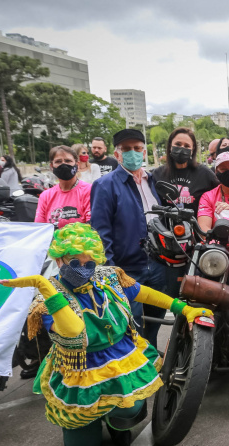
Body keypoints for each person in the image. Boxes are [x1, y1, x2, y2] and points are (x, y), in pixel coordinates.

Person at [0, 223, 211, 446]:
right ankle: (90, 424)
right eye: (75, 262)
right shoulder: (47, 300)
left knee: (128, 411)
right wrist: (46, 287)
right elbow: (75, 333)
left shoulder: (109, 277)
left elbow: (144, 293)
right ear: (59, 260)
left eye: (90, 263)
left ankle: (116, 423)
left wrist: (183, 308)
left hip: (120, 358)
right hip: (79, 369)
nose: (84, 269)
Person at [91, 129, 170, 347]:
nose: (132, 153)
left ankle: (151, 363)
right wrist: (110, 270)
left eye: (137, 148)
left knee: (155, 322)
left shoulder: (153, 181)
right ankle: (136, 372)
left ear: (144, 152)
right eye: (126, 149)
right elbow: (100, 231)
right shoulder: (105, 185)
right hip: (126, 270)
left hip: (157, 266)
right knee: (132, 326)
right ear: (117, 155)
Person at [150, 127, 219, 216]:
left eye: (187, 146)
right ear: (170, 146)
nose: (182, 148)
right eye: (178, 144)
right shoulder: (157, 174)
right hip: (164, 228)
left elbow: (221, 194)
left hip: (196, 228)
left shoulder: (204, 173)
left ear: (192, 149)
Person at [35, 145, 92, 228]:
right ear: (52, 166)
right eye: (58, 161)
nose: (64, 165)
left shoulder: (89, 191)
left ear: (77, 165)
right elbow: (40, 229)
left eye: (68, 161)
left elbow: (92, 228)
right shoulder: (45, 196)